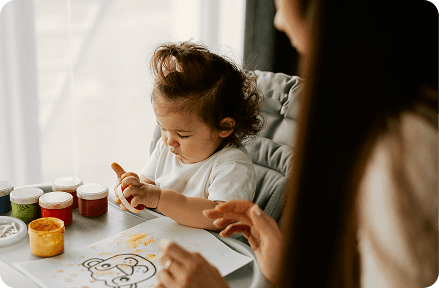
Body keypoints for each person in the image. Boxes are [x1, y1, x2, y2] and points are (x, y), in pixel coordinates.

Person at [151, 0, 438, 288]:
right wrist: (279, 270)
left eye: (281, 4)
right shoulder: (368, 120)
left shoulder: (403, 151)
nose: (277, 21)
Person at [112, 41, 264, 230]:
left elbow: (219, 217)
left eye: (182, 135)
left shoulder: (232, 165)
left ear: (223, 126)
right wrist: (133, 189)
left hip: (211, 252)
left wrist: (159, 198)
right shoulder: (166, 147)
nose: (169, 141)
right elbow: (147, 185)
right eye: (163, 128)